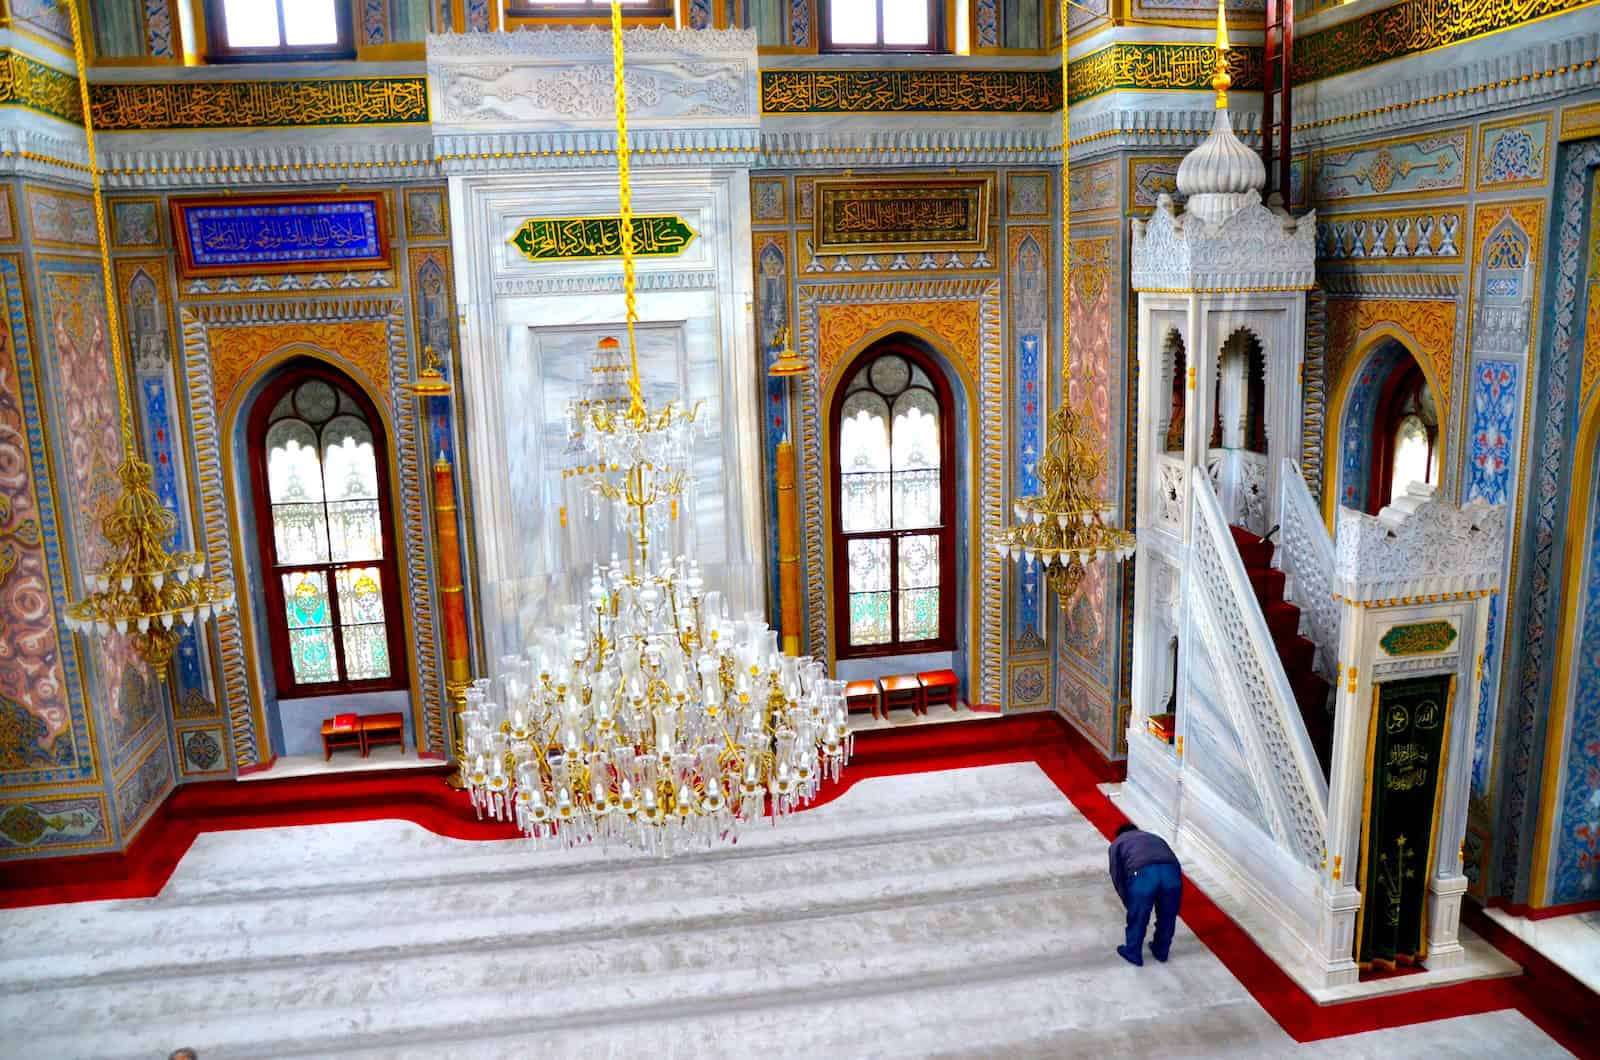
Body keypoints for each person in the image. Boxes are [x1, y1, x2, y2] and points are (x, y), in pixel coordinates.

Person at [1107, 822, 1183, 966]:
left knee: (1139, 916)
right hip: (1171, 874)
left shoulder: (1118, 843)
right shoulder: (1154, 837)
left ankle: (1133, 952)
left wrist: (1129, 901)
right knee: (1168, 916)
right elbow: (1174, 860)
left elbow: (1117, 875)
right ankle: (1161, 950)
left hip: (1144, 874)